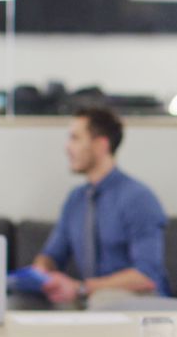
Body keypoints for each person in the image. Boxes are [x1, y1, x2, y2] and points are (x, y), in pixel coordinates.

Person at [30, 106, 168, 307]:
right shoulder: (76, 199)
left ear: (101, 145)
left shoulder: (138, 198)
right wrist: (41, 271)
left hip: (139, 299)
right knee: (20, 302)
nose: (67, 147)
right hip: (89, 296)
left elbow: (147, 276)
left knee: (101, 300)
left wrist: (81, 288)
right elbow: (52, 255)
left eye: (75, 138)